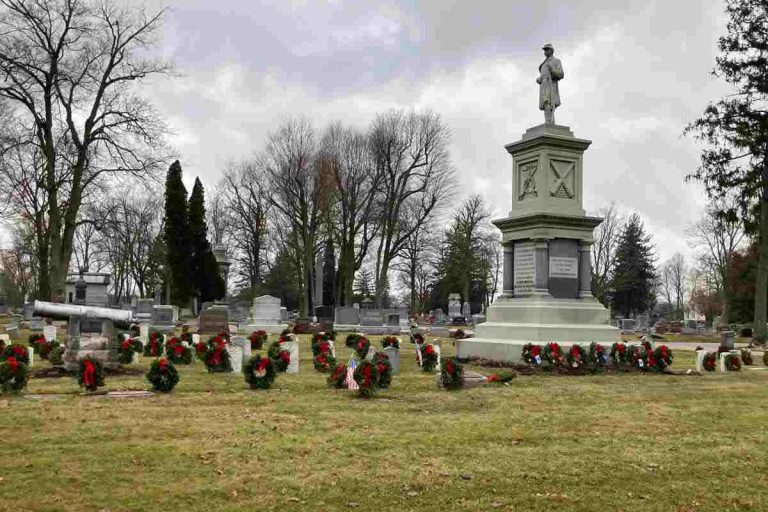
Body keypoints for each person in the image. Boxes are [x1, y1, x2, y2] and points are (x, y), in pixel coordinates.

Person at [536, 43, 564, 124]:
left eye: (547, 50)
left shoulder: (556, 61)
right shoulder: (544, 64)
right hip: (544, 85)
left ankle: (549, 121)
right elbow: (543, 74)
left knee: (549, 103)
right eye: (544, 50)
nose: (545, 52)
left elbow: (561, 74)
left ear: (551, 50)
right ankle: (549, 121)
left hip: (551, 84)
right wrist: (540, 79)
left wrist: (552, 70)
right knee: (545, 104)